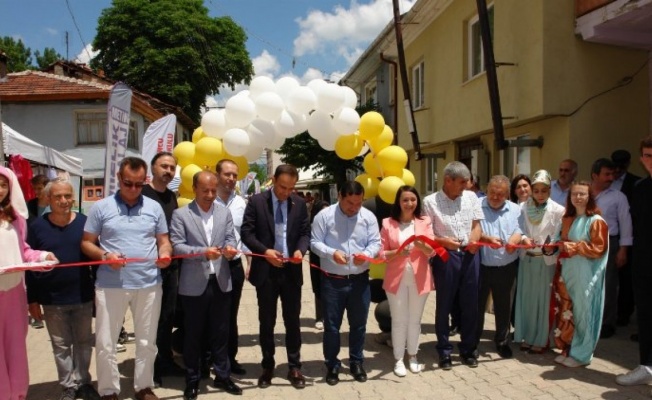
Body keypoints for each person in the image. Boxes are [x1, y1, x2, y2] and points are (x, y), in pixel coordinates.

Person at [81, 157, 172, 400]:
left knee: (147, 341)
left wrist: (165, 254)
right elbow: (86, 243)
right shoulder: (101, 207)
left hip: (149, 284)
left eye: (139, 184)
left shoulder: (154, 208)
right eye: (128, 183)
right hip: (111, 285)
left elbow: (164, 241)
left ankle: (143, 386)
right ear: (119, 180)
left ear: (145, 181)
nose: (133, 189)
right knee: (106, 342)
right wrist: (104, 255)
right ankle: (109, 390)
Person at [26, 178, 100, 400]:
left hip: (83, 296)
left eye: (68, 196)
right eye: (57, 196)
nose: (64, 200)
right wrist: (33, 300)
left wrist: (98, 291)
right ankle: (68, 386)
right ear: (48, 199)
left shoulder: (85, 224)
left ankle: (84, 382)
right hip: (51, 300)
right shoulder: (36, 227)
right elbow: (30, 267)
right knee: (61, 346)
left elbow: (95, 258)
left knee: (84, 343)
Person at [170, 171, 241, 399]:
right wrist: (202, 253)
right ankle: (192, 380)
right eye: (205, 191)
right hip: (193, 285)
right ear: (194, 188)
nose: (210, 195)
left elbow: (230, 237)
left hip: (221, 281)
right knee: (193, 334)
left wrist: (230, 250)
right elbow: (177, 246)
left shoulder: (224, 212)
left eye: (213, 190)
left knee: (221, 333)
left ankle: (223, 376)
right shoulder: (181, 215)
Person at [241, 164, 310, 390]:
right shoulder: (256, 202)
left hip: (291, 272)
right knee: (267, 321)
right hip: (266, 272)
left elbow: (304, 233)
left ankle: (294, 366)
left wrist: (301, 250)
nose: (286, 192)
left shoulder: (299, 204)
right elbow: (247, 233)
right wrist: (265, 252)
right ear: (273, 180)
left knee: (293, 322)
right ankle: (267, 365)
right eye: (282, 187)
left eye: (291, 188)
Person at [311, 181, 381, 385]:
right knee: (332, 327)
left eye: (358, 203)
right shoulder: (324, 216)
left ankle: (356, 362)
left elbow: (375, 242)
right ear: (339, 196)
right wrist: (332, 253)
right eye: (350, 203)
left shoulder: (368, 217)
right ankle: (332, 365)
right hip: (333, 281)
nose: (354, 208)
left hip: (360, 280)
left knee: (358, 325)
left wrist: (366, 254)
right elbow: (314, 243)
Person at [0, 166, 57, 400]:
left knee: (15, 345)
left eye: (4, 184)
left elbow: (24, 250)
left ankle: (18, 393)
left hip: (14, 293)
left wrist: (42, 257)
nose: (0, 189)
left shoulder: (17, 219)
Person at [423, 161, 483, 370]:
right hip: (445, 257)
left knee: (470, 305)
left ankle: (468, 349)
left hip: (470, 256)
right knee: (444, 305)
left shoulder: (472, 197)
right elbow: (426, 234)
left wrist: (475, 241)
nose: (466, 186)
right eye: (462, 182)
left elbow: (477, 224)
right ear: (448, 180)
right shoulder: (430, 202)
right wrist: (443, 242)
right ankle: (444, 351)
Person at [380, 186, 435, 377]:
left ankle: (412, 356)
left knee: (415, 320)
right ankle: (397, 359)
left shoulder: (424, 221)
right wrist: (397, 252)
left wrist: (421, 245)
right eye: (405, 200)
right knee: (399, 320)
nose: (410, 203)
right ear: (398, 202)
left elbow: (432, 250)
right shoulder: (388, 223)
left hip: (420, 279)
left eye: (413, 199)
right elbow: (381, 253)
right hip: (397, 280)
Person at [553, 181, 609, 367]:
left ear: (589, 197)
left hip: (586, 274)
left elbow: (599, 249)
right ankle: (569, 348)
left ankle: (582, 354)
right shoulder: (568, 218)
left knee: (585, 313)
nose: (578, 197)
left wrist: (575, 247)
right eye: (574, 194)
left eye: (582, 194)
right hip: (568, 272)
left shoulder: (597, 221)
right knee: (569, 312)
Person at [141, 152, 184, 386]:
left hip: (171, 267)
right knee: (150, 319)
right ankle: (151, 368)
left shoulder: (171, 196)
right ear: (153, 168)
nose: (168, 171)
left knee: (167, 316)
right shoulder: (142, 194)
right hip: (149, 268)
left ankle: (166, 359)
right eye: (164, 166)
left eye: (172, 168)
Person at [514, 170, 565, 353]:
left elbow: (560, 233)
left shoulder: (558, 210)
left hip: (546, 261)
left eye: (544, 191)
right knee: (526, 299)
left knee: (543, 301)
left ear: (550, 190)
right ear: (532, 191)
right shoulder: (522, 207)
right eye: (536, 191)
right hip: (527, 259)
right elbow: (518, 228)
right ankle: (526, 335)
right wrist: (524, 238)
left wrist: (553, 245)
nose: (540, 195)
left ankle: (542, 338)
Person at [616, 136, 652, 386]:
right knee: (646, 316)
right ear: (641, 159)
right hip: (644, 263)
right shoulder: (640, 188)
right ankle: (646, 366)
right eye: (648, 156)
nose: (651, 161)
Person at [476, 175, 522, 360]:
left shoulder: (516, 209)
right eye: (492, 193)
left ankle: (502, 341)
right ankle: (473, 342)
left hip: (506, 265)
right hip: (480, 266)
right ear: (487, 190)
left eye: (500, 194)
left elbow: (520, 230)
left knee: (504, 306)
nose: (495, 197)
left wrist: (514, 239)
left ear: (507, 195)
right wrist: (485, 238)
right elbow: (469, 230)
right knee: (476, 305)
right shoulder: (476, 205)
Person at [590, 158, 632, 339]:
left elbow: (626, 223)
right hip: (586, 244)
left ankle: (607, 323)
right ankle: (589, 319)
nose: (610, 178)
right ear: (595, 175)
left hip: (610, 243)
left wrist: (623, 249)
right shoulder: (583, 193)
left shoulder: (618, 196)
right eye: (606, 174)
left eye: (612, 174)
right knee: (588, 283)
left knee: (608, 284)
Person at [214, 159, 248, 375]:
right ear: (217, 175)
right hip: (209, 266)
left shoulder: (241, 203)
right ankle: (209, 358)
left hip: (234, 265)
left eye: (235, 175)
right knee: (212, 315)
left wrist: (249, 263)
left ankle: (230, 359)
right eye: (227, 174)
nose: (231, 179)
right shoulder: (207, 200)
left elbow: (245, 236)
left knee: (231, 315)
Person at [610, 149, 641, 328]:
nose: (618, 169)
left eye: (622, 165)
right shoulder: (608, 181)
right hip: (608, 238)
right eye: (616, 165)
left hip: (627, 237)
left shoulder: (635, 183)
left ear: (628, 164)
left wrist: (626, 244)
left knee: (626, 279)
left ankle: (623, 313)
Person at [26, 173, 50, 329]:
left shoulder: (53, 202)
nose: (37, 192)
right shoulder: (30, 205)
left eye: (40, 188)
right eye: (35, 188)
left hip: (49, 245)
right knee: (33, 279)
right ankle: (37, 314)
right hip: (33, 246)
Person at [309, 199, 330, 331]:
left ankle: (329, 316)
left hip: (331, 260)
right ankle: (319, 317)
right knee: (318, 288)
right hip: (316, 259)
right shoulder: (311, 226)